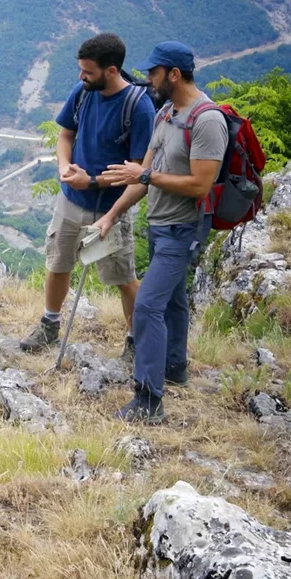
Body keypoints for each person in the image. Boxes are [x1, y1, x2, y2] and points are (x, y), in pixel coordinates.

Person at [96, 41, 228, 423]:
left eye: (154, 72)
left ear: (174, 73)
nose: (148, 79)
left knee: (148, 306)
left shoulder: (207, 120)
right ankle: (175, 368)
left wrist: (146, 175)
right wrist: (112, 215)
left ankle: (148, 400)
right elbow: (144, 179)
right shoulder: (166, 113)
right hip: (159, 226)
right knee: (172, 300)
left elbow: (201, 185)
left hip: (183, 229)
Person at [19, 33, 155, 362]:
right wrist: (65, 167)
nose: (81, 76)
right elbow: (66, 134)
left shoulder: (139, 108)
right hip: (71, 200)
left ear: (111, 70)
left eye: (88, 71)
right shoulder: (83, 93)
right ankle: (49, 325)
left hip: (112, 209)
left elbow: (138, 173)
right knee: (57, 263)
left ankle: (136, 341)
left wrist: (90, 181)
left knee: (122, 277)